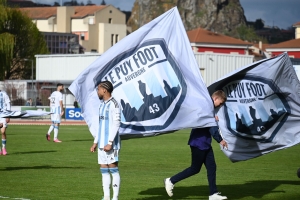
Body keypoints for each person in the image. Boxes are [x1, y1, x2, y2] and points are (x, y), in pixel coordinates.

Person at [164, 90, 228, 200]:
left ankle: (213, 194)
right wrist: (220, 140)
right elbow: (211, 127)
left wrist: (214, 119)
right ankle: (170, 180)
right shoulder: (208, 108)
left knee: (212, 167)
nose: (220, 106)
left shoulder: (208, 108)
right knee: (195, 168)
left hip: (205, 143)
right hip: (199, 143)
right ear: (215, 99)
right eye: (221, 103)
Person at [90, 81, 121, 200]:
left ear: (104, 90)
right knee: (104, 170)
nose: (97, 92)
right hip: (101, 144)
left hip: (111, 145)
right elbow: (100, 125)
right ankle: (107, 197)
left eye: (98, 89)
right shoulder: (102, 105)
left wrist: (110, 142)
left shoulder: (114, 104)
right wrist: (95, 142)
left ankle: (115, 198)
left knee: (113, 170)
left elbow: (117, 124)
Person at [0, 90, 11, 155]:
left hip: (4, 115)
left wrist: (8, 115)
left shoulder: (4, 93)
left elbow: (8, 104)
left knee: (3, 131)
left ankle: (4, 148)